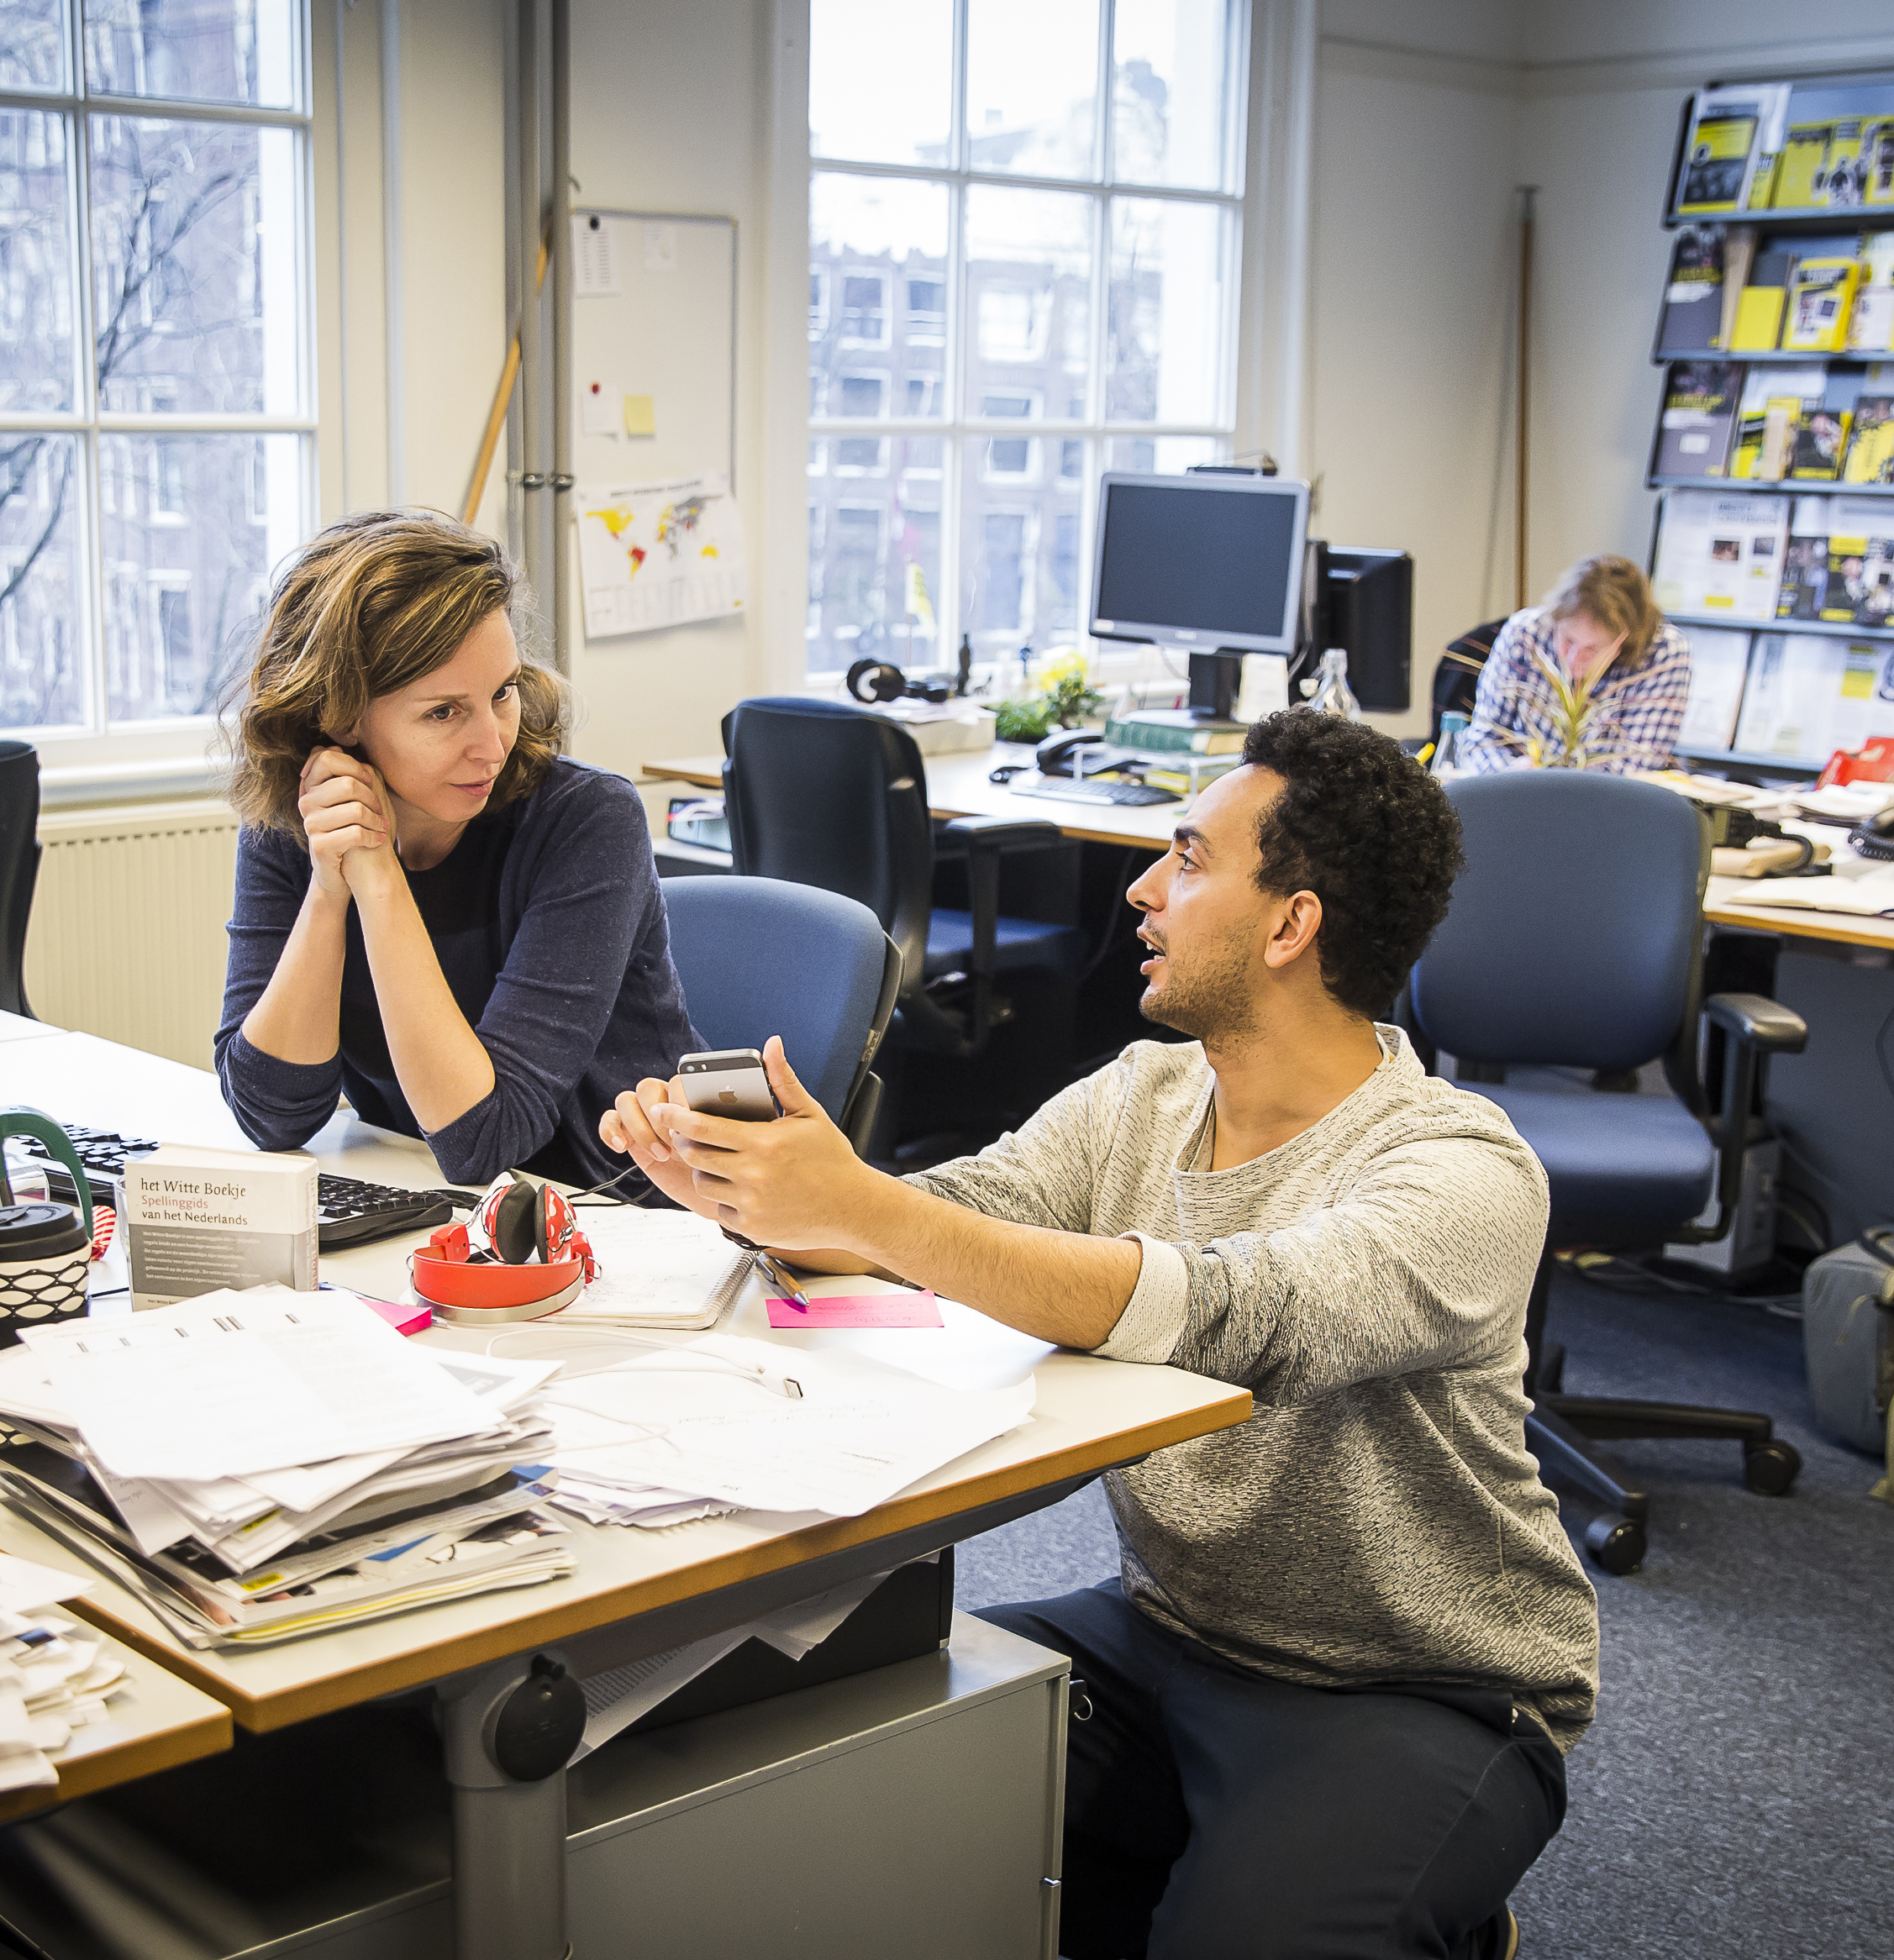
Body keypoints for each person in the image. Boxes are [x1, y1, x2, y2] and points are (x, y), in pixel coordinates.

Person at [600, 711, 1597, 1960]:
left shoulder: (1459, 1171)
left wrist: (865, 1203)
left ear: (1291, 924)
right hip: (1168, 1629)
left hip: (1413, 1681)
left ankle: (1434, 1913)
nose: (1142, 887)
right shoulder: (1146, 1092)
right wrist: (760, 1194)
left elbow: (1241, 1313)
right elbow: (952, 1227)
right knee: (804, 1781)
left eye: (1184, 859)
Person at [214, 509, 701, 1190]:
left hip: (626, 1225)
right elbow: (272, 1115)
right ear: (339, 715)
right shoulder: (299, 823)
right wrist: (328, 891)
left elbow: (485, 1140)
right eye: (443, 712)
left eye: (501, 693)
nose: (493, 744)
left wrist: (379, 880)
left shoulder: (588, 822)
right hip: (441, 1211)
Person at [1448, 553, 1690, 775]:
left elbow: (1633, 768)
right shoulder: (1526, 633)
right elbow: (1482, 739)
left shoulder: (1664, 652)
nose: (1574, 660)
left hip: (1608, 813)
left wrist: (1551, 785)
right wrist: (1512, 776)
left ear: (1624, 642)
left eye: (1593, 649)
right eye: (1568, 640)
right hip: (1516, 799)